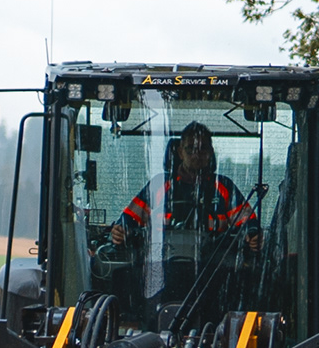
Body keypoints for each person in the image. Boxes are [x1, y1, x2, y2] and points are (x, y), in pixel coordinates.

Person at [101, 121, 261, 292]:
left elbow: (248, 223)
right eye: (190, 149)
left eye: (203, 149)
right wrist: (120, 231)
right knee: (120, 278)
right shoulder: (160, 185)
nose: (196, 155)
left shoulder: (224, 187)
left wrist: (252, 235)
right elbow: (128, 220)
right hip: (160, 269)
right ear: (179, 152)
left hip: (212, 272)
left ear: (211, 153)